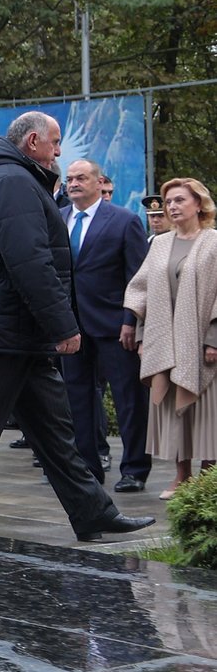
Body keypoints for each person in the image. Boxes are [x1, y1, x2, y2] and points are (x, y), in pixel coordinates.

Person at [0, 112, 152, 542]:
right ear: (32, 142)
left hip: (15, 330)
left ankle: (91, 512)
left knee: (54, 431)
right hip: (9, 331)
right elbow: (30, 264)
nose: (60, 151)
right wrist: (63, 325)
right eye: (55, 142)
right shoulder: (12, 182)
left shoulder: (4, 178)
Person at [59, 159, 150, 490]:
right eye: (69, 179)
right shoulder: (59, 219)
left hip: (115, 326)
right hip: (72, 328)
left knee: (128, 398)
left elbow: (138, 278)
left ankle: (135, 469)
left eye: (81, 178)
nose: (74, 184)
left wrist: (131, 321)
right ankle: (87, 468)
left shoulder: (124, 221)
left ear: (99, 183)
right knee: (78, 399)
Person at [125, 178, 217, 499]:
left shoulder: (213, 242)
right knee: (173, 410)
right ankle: (181, 477)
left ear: (199, 204)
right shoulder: (160, 244)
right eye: (169, 203)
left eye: (179, 200)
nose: (172, 207)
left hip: (203, 341)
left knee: (206, 411)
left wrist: (213, 339)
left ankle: (207, 480)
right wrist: (139, 335)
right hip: (165, 339)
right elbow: (142, 289)